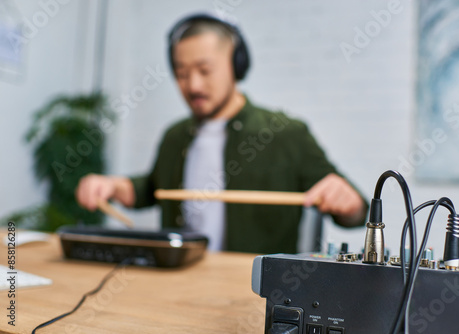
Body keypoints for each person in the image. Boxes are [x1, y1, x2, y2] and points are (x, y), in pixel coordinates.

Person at [76, 13, 368, 254]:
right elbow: (153, 188)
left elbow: (356, 213)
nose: (193, 85)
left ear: (236, 66)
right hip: (179, 280)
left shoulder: (286, 133)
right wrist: (112, 186)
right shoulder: (175, 136)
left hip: (253, 291)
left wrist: (348, 201)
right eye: (181, 72)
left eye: (205, 70)